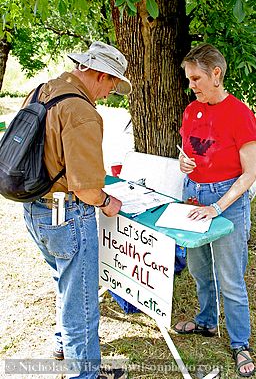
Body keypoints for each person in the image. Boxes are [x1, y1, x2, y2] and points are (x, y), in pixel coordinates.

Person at [23, 41, 132, 379]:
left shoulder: (41, 90)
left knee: (65, 283)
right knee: (82, 301)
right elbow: (86, 189)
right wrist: (107, 201)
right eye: (111, 87)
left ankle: (63, 344)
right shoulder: (83, 111)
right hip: (67, 214)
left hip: (35, 209)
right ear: (100, 75)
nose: (107, 95)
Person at [174, 44, 256, 378]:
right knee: (198, 267)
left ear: (216, 74)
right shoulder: (191, 110)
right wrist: (184, 163)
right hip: (193, 195)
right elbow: (189, 151)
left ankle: (240, 343)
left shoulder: (240, 113)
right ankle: (207, 322)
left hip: (226, 200)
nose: (191, 85)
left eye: (196, 78)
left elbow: (250, 173)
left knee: (230, 278)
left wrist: (217, 207)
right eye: (189, 79)